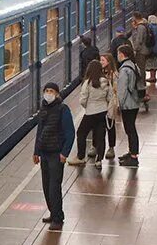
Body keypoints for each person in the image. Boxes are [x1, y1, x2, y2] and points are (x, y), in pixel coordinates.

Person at [32, 83, 75, 230]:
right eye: (46, 91)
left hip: (56, 154)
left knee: (54, 187)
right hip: (45, 153)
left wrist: (65, 153)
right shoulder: (44, 109)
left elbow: (70, 132)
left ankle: (58, 218)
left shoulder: (63, 110)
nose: (48, 93)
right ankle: (53, 212)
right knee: (46, 186)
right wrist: (36, 151)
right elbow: (40, 132)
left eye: (51, 91)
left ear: (57, 94)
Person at [70, 60, 113, 168]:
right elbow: (110, 97)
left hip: (90, 113)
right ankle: (99, 161)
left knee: (81, 133)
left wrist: (87, 107)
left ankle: (80, 157)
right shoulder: (106, 81)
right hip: (102, 112)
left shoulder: (88, 83)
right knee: (100, 136)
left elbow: (83, 100)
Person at [115, 45, 144, 167]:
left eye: (118, 53)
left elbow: (122, 90)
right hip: (135, 102)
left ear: (122, 54)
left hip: (128, 104)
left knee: (130, 129)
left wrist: (118, 105)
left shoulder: (124, 70)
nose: (117, 56)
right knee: (130, 129)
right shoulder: (133, 65)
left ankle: (134, 157)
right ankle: (132, 152)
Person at [143, 16, 157, 83]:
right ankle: (153, 76)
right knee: (155, 63)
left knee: (151, 62)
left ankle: (152, 77)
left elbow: (149, 38)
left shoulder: (150, 27)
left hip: (153, 48)